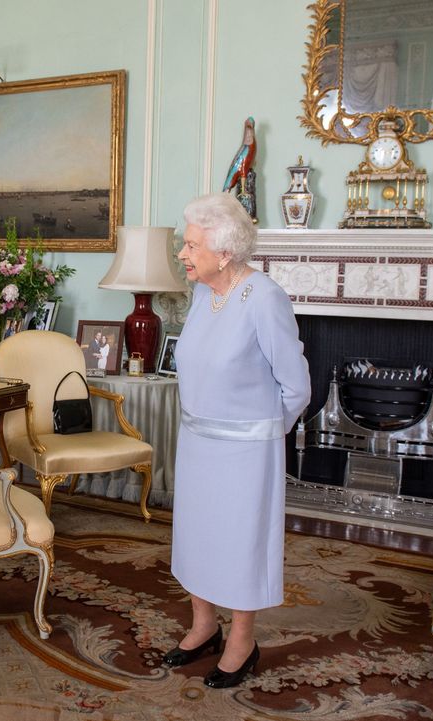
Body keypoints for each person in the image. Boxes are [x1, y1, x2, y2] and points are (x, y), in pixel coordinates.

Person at [164, 192, 310, 689]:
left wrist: (263, 433)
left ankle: (242, 641)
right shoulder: (204, 292)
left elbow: (296, 385)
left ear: (223, 252)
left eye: (190, 245)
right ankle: (204, 625)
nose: (183, 254)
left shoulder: (264, 298)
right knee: (196, 537)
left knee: (242, 544)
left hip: (247, 450)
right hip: (198, 441)